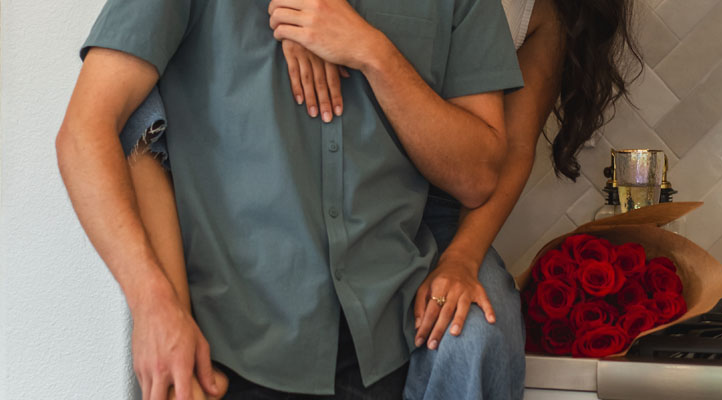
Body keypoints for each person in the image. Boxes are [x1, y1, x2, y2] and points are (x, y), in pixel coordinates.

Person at [56, 0, 524, 399]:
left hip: (391, 350)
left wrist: (373, 52)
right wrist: (153, 305)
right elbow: (85, 131)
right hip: (227, 354)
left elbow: (479, 175)